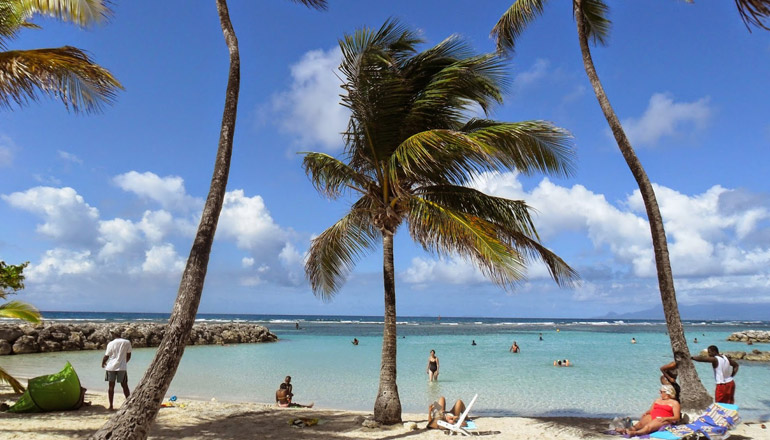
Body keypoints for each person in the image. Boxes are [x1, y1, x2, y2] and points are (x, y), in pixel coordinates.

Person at [102, 337, 132, 410]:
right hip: (121, 368)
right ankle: (129, 404)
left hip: (111, 367)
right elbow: (129, 355)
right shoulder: (127, 342)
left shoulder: (111, 343)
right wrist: (124, 363)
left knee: (111, 386)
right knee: (125, 386)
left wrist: (103, 363)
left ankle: (111, 406)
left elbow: (106, 356)